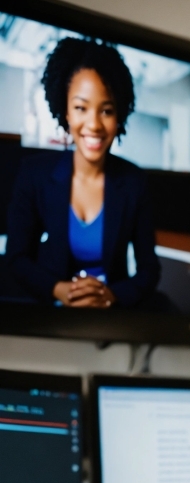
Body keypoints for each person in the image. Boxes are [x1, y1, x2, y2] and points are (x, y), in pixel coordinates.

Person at [6, 37, 160, 308]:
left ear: (119, 115)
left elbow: (150, 270)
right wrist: (58, 290)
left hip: (112, 318)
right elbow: (17, 258)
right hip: (54, 317)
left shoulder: (135, 181)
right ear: (64, 110)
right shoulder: (35, 174)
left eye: (107, 111)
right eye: (81, 108)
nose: (94, 124)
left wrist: (111, 295)